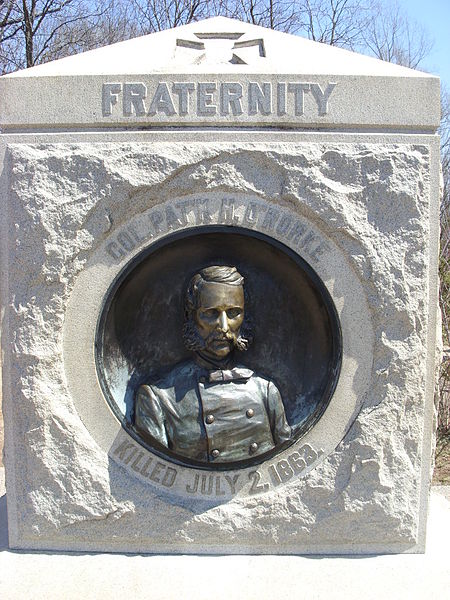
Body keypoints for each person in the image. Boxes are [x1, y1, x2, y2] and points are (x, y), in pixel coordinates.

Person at [134, 265, 291, 464]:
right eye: (211, 313)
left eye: (233, 313)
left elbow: (284, 457)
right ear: (191, 316)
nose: (224, 327)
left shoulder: (266, 391)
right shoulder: (157, 398)